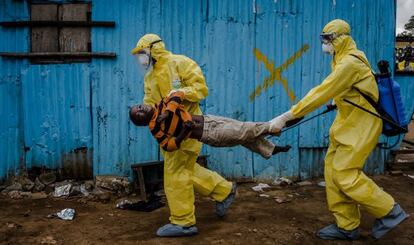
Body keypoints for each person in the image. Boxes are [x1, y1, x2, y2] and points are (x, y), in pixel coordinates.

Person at [269, 19, 409, 240]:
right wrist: (337, 102)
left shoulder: (350, 63)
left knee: (345, 174)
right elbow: (353, 88)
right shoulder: (342, 58)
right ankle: (347, 225)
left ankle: (390, 211)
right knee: (333, 172)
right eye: (323, 39)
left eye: (328, 39)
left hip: (361, 125)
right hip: (346, 124)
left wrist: (287, 116)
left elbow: (321, 91)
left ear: (341, 38)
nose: (325, 44)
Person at [131, 34, 236, 237]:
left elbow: (201, 89)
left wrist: (180, 94)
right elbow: (150, 104)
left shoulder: (181, 63)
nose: (141, 59)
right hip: (170, 131)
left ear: (154, 49)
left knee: (175, 173)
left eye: (142, 53)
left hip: (189, 126)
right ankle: (224, 190)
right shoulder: (150, 78)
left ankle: (183, 222)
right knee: (185, 169)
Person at [129, 91, 291, 158]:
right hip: (209, 134)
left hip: (211, 119)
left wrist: (167, 112)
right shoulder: (155, 128)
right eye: (138, 113)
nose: (140, 108)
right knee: (243, 131)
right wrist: (182, 133)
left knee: (244, 137)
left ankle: (270, 149)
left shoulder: (161, 105)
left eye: (138, 106)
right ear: (142, 122)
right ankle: (274, 125)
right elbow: (168, 146)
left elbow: (178, 94)